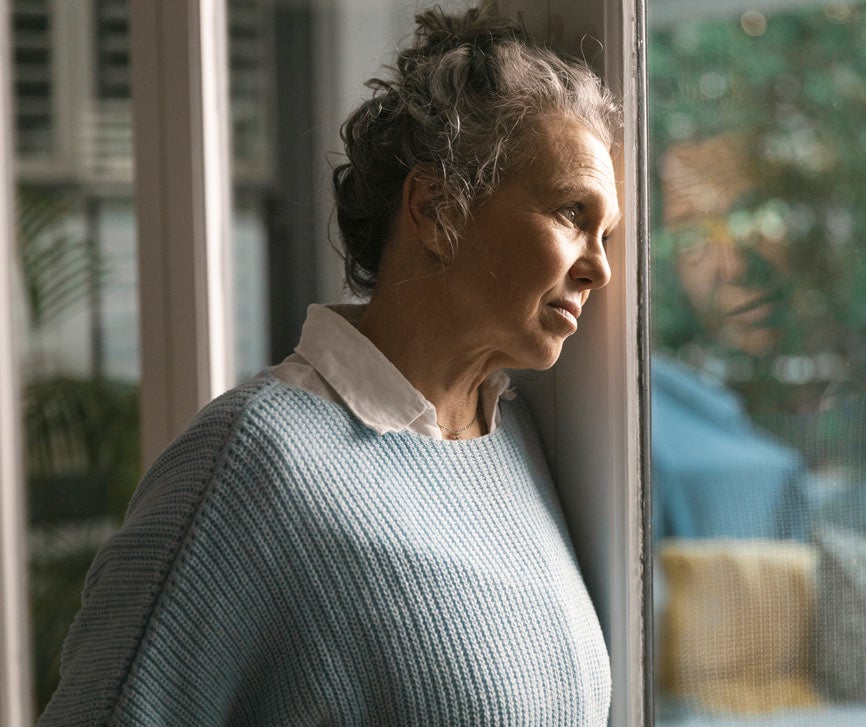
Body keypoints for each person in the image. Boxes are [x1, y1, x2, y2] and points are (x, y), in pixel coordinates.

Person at [40, 4, 620, 725]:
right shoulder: (251, 461)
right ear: (437, 208)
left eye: (607, 232)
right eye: (571, 213)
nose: (599, 266)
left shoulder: (514, 439)